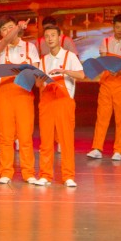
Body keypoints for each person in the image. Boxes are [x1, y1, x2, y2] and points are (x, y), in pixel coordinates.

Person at [35, 24, 85, 187]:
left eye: (53, 35)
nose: (50, 39)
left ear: (59, 37)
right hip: (47, 101)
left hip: (64, 101)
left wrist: (64, 72)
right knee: (46, 140)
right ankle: (45, 175)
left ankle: (68, 176)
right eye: (47, 36)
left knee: (66, 140)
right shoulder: (43, 60)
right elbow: (38, 85)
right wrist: (39, 80)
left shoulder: (69, 56)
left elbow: (81, 75)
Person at [88, 13, 121, 161]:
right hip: (106, 84)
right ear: (113, 27)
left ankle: (119, 150)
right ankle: (97, 148)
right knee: (102, 117)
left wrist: (120, 71)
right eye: (117, 27)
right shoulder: (106, 42)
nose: (120, 30)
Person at [0, 17, 38, 184]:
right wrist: (17, 28)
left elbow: (35, 71)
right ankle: (6, 172)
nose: (8, 31)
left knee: (25, 136)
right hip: (4, 95)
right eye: (4, 29)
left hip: (24, 94)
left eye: (10, 27)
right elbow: (6, 40)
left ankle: (28, 173)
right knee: (6, 136)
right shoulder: (0, 47)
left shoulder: (30, 47)